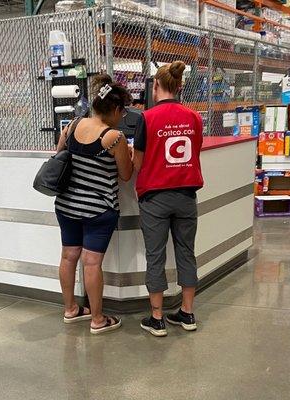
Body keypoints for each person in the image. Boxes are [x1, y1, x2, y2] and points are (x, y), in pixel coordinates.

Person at [55, 74, 133, 335]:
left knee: (68, 256)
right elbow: (125, 174)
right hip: (98, 210)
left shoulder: (73, 125)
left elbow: (59, 157)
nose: (123, 117)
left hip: (67, 206)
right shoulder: (114, 137)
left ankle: (71, 310)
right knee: (91, 263)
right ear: (113, 109)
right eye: (122, 112)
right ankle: (97, 319)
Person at [133, 61, 204, 337]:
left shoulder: (146, 119)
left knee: (155, 255)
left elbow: (138, 163)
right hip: (186, 195)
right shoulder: (194, 117)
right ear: (179, 87)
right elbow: (195, 151)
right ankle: (187, 313)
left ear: (157, 86)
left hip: (155, 198)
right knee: (187, 253)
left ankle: (157, 317)